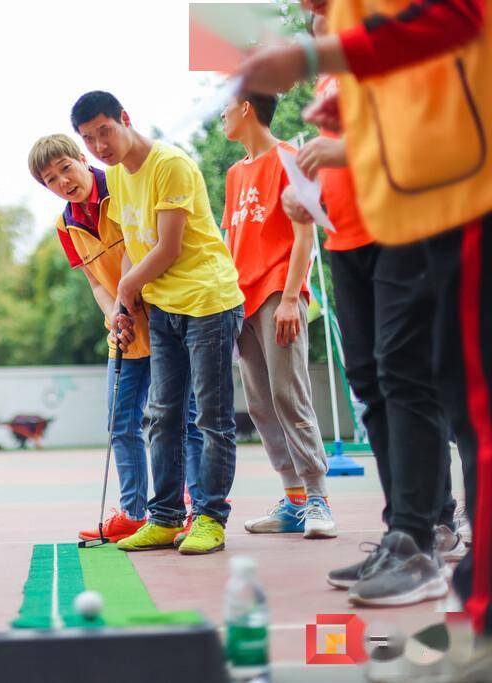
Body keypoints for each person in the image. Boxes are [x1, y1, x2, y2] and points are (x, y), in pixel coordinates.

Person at [239, 0, 492, 648]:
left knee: (457, 396)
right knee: (406, 384)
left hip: (445, 197)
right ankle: (417, 544)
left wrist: (313, 61)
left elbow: (456, 23)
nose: (310, 10)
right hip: (405, 205)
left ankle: (441, 561)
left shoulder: (368, 32)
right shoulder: (354, 34)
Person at [270, 7, 459, 605]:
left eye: (317, 10)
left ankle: (422, 537)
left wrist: (342, 154)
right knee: (370, 384)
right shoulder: (334, 68)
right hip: (345, 238)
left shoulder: (390, 39)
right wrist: (306, 198)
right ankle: (400, 530)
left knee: (406, 379)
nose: (312, 18)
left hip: (399, 230)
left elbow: (418, 133)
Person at [71, 91, 245, 556]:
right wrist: (125, 307)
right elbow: (133, 244)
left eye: (105, 131)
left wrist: (126, 289)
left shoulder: (170, 164)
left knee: (211, 418)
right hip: (164, 307)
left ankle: (210, 518)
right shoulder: (116, 178)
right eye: (89, 140)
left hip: (208, 301)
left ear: (125, 119)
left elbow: (167, 248)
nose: (99, 146)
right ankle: (165, 519)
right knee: (162, 416)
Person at [27, 133, 206, 543]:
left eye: (65, 169)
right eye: (51, 180)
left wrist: (127, 294)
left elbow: (140, 246)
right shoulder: (65, 225)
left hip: (163, 320)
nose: (63, 182)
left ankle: (196, 509)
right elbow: (94, 282)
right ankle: (134, 512)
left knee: (183, 420)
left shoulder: (121, 187)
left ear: (80, 158)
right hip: (122, 333)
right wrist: (113, 316)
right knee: (120, 424)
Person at [220, 92, 336, 539]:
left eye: (228, 107)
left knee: (290, 394)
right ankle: (293, 502)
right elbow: (233, 241)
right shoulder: (234, 174)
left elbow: (306, 235)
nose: (224, 116)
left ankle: (319, 497)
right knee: (260, 403)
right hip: (241, 300)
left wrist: (291, 297)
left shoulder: (290, 157)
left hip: (278, 293)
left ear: (247, 106)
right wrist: (228, 302)